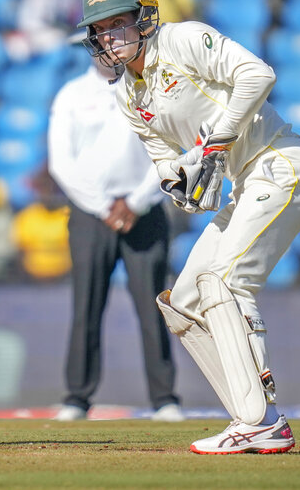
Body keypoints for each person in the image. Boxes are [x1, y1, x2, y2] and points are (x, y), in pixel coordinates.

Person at [76, 0, 300, 454]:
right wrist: (182, 182)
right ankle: (250, 414)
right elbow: (165, 161)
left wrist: (217, 141)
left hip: (282, 164)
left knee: (227, 282)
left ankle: (260, 419)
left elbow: (258, 74)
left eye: (119, 23)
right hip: (245, 183)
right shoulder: (128, 94)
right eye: (101, 29)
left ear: (143, 19)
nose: (110, 37)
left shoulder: (183, 39)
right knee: (186, 302)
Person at [47, 57, 182, 423]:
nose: (108, 48)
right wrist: (104, 205)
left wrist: (135, 202)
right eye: (99, 37)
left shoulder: (153, 88)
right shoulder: (72, 95)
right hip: (91, 213)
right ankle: (77, 398)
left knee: (153, 306)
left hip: (144, 209)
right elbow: (62, 163)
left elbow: (170, 152)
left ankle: (164, 398)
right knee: (87, 306)